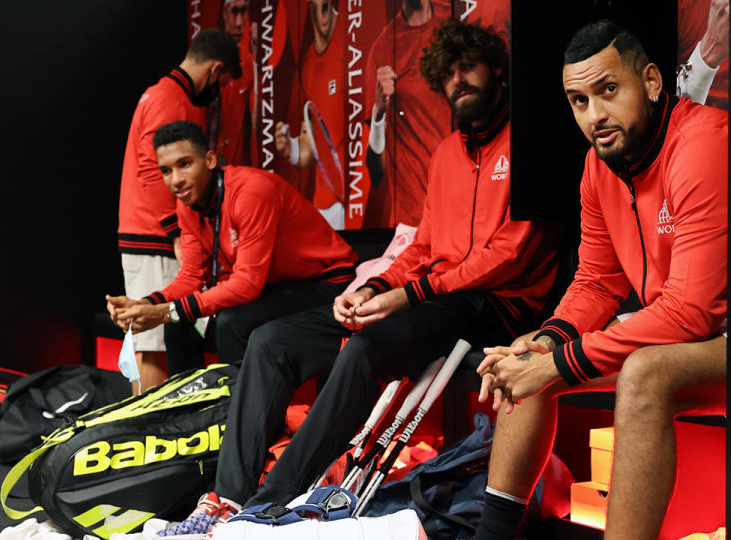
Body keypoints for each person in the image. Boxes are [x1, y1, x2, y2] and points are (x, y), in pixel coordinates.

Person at [159, 19, 560, 537]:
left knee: (365, 348)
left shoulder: (530, 145)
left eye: (470, 68)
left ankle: (268, 505)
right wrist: (372, 288)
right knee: (269, 340)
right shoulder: (445, 154)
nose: (459, 81)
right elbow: (422, 246)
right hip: (435, 296)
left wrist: (405, 294)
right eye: (450, 73)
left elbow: (511, 255)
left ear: (499, 72)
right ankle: (229, 499)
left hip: (496, 303)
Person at [475, 19, 728, 540]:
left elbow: (692, 312)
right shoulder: (598, 166)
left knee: (642, 373)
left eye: (608, 90)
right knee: (532, 359)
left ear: (653, 82)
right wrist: (549, 342)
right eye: (579, 101)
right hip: (684, 332)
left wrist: (561, 364)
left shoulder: (703, 143)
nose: (595, 115)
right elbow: (595, 281)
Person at [106, 121, 358, 375]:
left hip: (327, 282)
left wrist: (166, 311)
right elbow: (191, 277)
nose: (176, 180)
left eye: (184, 164)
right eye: (166, 171)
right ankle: (193, 412)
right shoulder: (188, 205)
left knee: (231, 322)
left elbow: (247, 284)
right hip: (279, 286)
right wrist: (147, 304)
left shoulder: (251, 191)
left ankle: (236, 410)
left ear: (211, 160)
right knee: (177, 324)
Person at [116, 28, 242, 391]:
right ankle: (150, 438)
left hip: (149, 232)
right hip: (154, 236)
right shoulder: (169, 98)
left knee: (158, 342)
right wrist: (175, 231)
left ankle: (153, 434)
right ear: (216, 70)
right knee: (156, 344)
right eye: (223, 83)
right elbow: (151, 169)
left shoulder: (163, 94)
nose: (218, 94)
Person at [361, 0, 452, 228]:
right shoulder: (384, 47)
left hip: (460, 203)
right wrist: (379, 111)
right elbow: (376, 169)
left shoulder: (453, 21)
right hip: (414, 218)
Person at [273, 0, 346, 229]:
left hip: (356, 198)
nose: (322, 11)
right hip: (325, 207)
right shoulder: (307, 65)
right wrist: (290, 149)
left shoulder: (353, 42)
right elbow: (311, 147)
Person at [217, 0, 258, 166]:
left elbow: (257, 124)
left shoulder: (248, 61)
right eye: (235, 12)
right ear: (225, 13)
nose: (239, 23)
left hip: (237, 164)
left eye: (244, 11)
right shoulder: (211, 56)